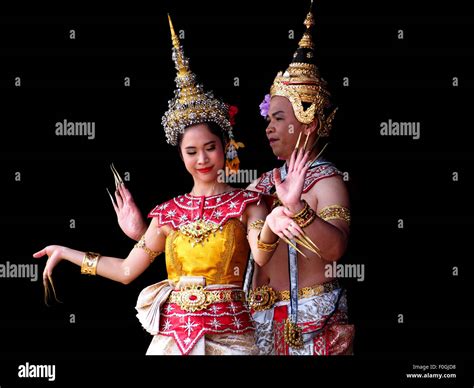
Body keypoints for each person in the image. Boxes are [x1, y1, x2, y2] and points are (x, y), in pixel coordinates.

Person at [32, 15, 304, 355]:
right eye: (191, 151)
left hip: (232, 340)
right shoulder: (167, 214)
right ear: (180, 155)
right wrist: (66, 252)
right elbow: (127, 270)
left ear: (225, 147)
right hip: (173, 342)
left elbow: (262, 254)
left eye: (210, 148)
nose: (202, 159)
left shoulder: (248, 203)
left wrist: (280, 219)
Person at [245, 3, 355, 355]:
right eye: (268, 118)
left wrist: (297, 208)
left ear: (308, 123)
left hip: (310, 323)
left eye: (278, 118)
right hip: (260, 320)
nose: (269, 127)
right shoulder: (262, 184)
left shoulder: (326, 181)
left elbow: (336, 250)